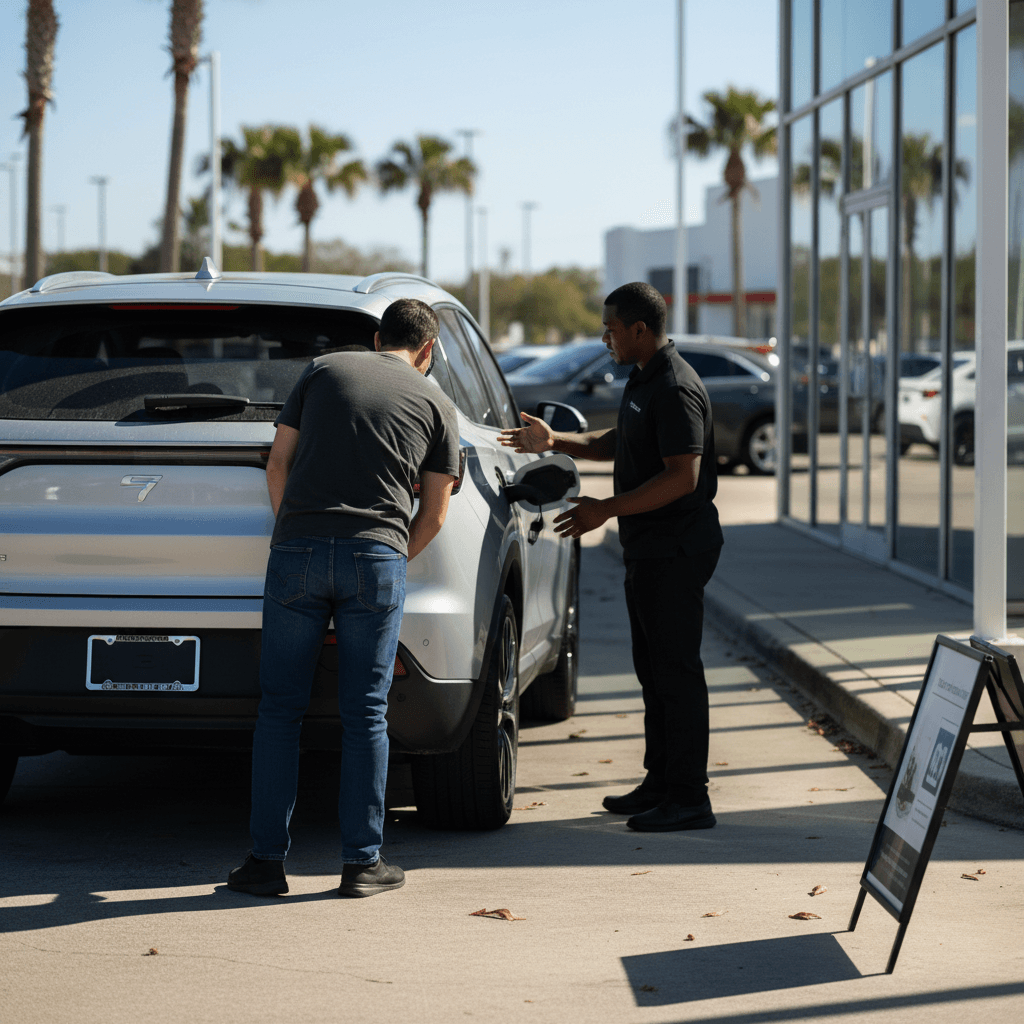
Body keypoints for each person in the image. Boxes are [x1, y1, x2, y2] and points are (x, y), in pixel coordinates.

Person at [228, 299, 461, 896]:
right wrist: (384, 557)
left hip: (298, 551)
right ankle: (361, 864)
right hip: (376, 558)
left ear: (379, 337)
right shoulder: (437, 403)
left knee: (280, 710)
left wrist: (296, 536)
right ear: (427, 351)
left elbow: (278, 463)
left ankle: (264, 863)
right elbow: (433, 515)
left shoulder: (324, 369)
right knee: (365, 712)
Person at [498, 281, 723, 832]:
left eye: (611, 328)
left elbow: (682, 476)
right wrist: (555, 441)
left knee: (677, 671)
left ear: (639, 330)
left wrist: (608, 509)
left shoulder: (674, 386)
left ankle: (690, 797)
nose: (605, 339)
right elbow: (615, 443)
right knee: (654, 670)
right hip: (649, 548)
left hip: (676, 547)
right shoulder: (644, 379)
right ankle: (661, 781)